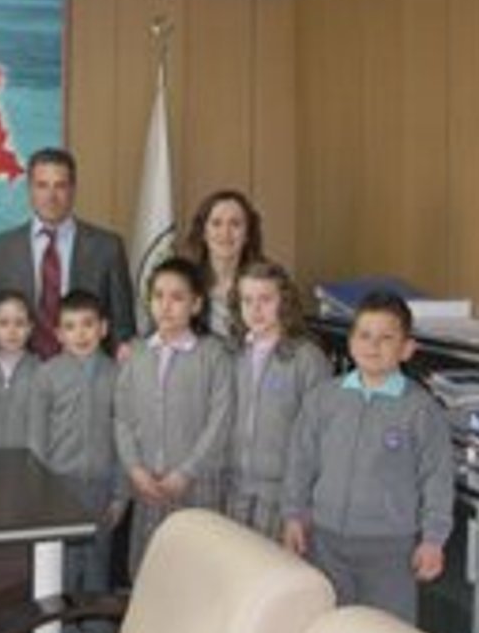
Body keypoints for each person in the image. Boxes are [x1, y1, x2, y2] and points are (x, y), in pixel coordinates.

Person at [281, 291, 454, 624]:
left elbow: (437, 477)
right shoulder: (324, 398)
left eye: (386, 338)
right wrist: (293, 514)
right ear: (350, 342)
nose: (373, 345)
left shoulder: (420, 408)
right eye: (364, 335)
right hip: (326, 541)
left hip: (389, 549)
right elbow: (300, 461)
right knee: (330, 622)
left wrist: (433, 540)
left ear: (407, 348)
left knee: (385, 625)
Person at [114, 257, 233, 575]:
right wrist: (135, 469)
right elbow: (122, 418)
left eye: (177, 297)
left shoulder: (214, 355)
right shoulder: (137, 353)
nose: (166, 306)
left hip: (197, 485)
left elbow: (220, 420)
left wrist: (186, 472)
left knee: (194, 573)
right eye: (158, 296)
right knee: (149, 571)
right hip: (148, 485)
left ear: (196, 304)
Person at [0, 147, 135, 359]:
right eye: (42, 186)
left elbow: (123, 326)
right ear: (30, 189)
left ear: (73, 189)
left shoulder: (107, 248)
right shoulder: (1, 249)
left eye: (60, 186)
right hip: (20, 372)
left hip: (86, 371)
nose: (51, 196)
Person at [223, 260, 331, 539]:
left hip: (283, 495)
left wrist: (299, 505)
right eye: (247, 300)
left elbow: (319, 436)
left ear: (284, 301)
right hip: (234, 488)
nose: (255, 309)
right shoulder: (232, 354)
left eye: (265, 299)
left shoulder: (307, 358)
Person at [28, 290, 124, 601]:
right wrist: (41, 492)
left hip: (100, 487)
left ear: (103, 328)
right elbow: (36, 441)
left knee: (97, 567)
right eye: (70, 326)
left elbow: (125, 439)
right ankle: (62, 623)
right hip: (59, 487)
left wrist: (121, 494)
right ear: (58, 334)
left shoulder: (118, 375)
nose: (80, 334)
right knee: (62, 569)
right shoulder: (47, 375)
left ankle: (96, 622)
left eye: (88, 324)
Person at [180, 189, 264, 338]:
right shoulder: (182, 282)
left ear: (247, 234)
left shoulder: (268, 284)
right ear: (204, 233)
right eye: (216, 223)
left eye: (235, 224)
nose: (225, 232)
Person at [0, 291, 39, 450]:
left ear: (30, 328)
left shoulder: (44, 373)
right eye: (3, 323)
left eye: (20, 323)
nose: (12, 331)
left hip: (30, 461)